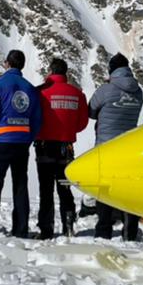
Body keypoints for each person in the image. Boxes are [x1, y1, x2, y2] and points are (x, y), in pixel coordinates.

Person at [0, 49, 42, 237]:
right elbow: (37, 120)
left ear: (7, 63)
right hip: (21, 143)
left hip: (0, 141)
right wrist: (27, 139)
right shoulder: (30, 88)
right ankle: (21, 229)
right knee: (20, 185)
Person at [89, 52, 143, 241]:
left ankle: (103, 230)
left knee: (104, 189)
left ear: (111, 70)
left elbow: (91, 110)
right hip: (128, 146)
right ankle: (130, 231)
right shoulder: (138, 90)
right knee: (127, 190)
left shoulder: (105, 89)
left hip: (105, 146)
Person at [34, 57, 89, 239]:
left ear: (51, 71)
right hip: (66, 147)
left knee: (46, 188)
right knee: (64, 187)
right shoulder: (77, 93)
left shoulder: (41, 92)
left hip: (44, 147)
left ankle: (46, 228)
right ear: (65, 73)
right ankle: (68, 224)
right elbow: (82, 123)